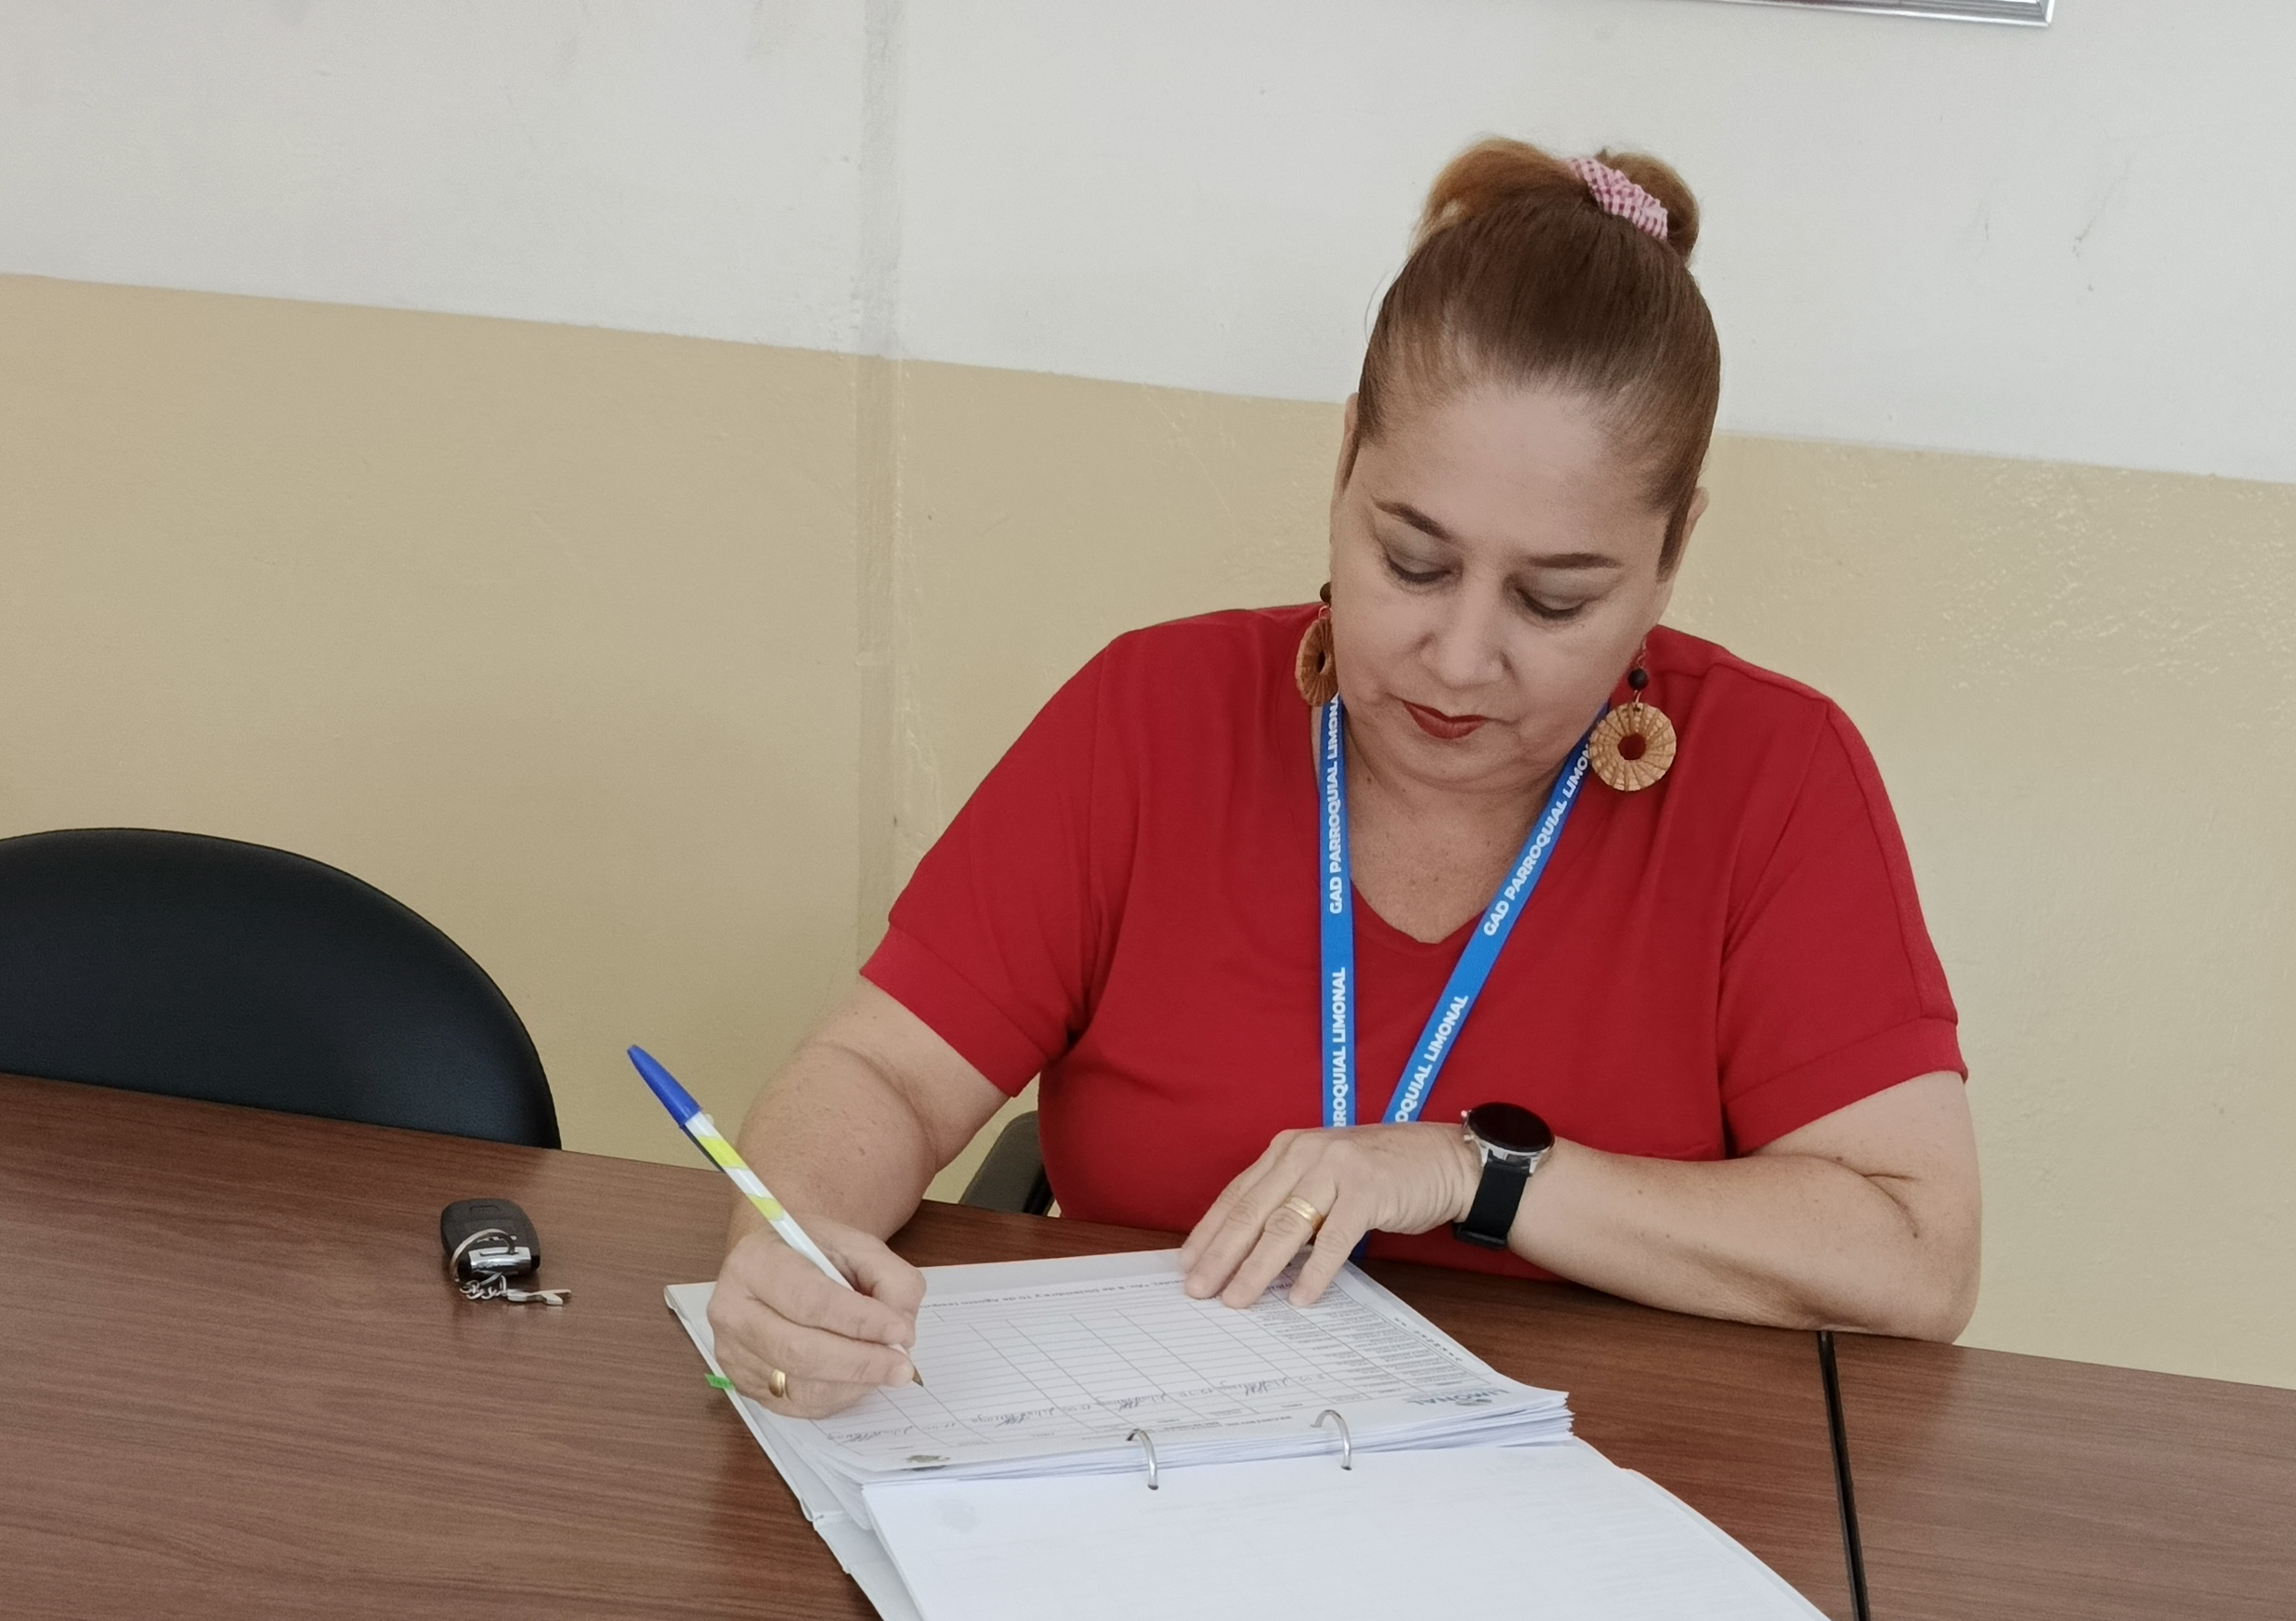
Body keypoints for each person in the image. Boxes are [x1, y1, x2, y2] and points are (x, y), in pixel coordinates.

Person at [707, 137, 1977, 1417]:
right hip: (1157, 1467)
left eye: (1554, 599)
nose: (1460, 657)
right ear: (1346, 462)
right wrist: (793, 1246)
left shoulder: (1775, 779)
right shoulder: (1150, 719)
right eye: (1414, 562)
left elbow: (1917, 1256)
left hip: (1614, 1487)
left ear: (1671, 553)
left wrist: (1474, 1173)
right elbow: (880, 1072)